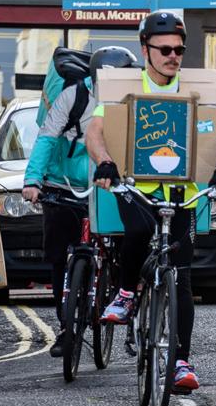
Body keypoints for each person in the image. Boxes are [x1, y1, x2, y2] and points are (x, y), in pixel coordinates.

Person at [88, 12, 216, 395]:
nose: (174, 57)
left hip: (181, 194)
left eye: (179, 50)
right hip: (138, 189)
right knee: (138, 230)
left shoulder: (197, 89)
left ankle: (181, 362)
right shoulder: (126, 86)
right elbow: (96, 130)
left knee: (182, 277)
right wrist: (104, 161)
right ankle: (126, 293)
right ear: (146, 50)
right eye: (165, 49)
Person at [23, 46, 136, 357]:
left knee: (129, 244)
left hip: (112, 184)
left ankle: (126, 304)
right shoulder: (73, 97)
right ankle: (66, 327)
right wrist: (32, 180)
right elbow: (47, 137)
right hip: (64, 182)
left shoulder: (132, 100)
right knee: (59, 256)